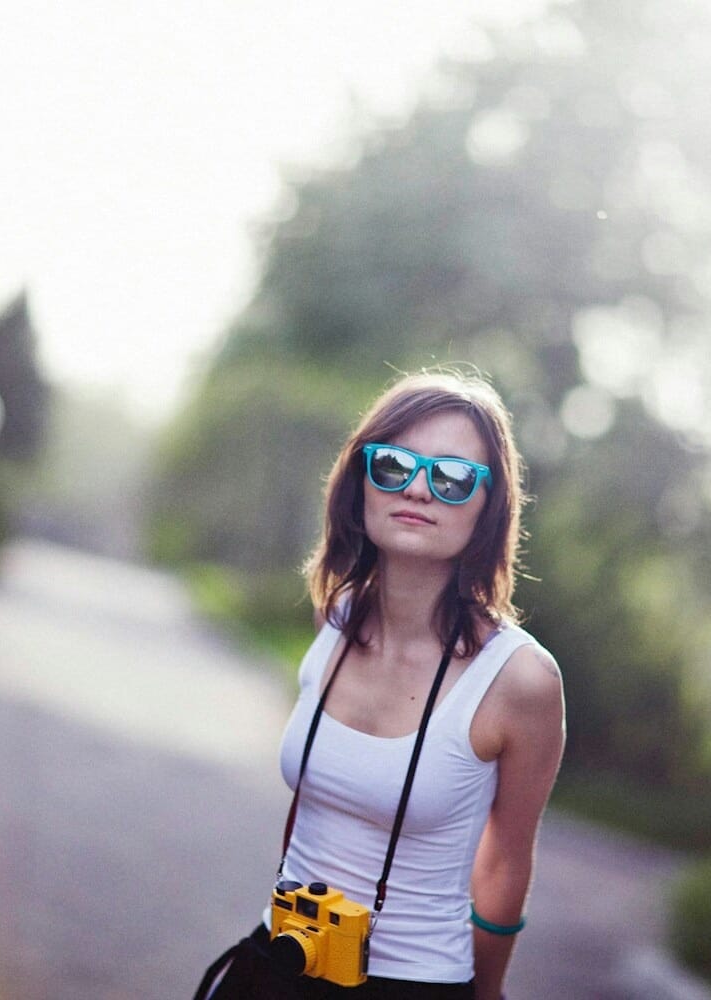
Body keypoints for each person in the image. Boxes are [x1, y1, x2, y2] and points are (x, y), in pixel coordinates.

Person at [206, 370, 564, 1000]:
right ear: (360, 483)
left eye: (452, 478)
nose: (419, 490)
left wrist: (489, 992)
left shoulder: (519, 680)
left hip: (414, 983)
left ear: (489, 508)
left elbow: (506, 858)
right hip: (278, 961)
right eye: (394, 465)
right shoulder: (334, 618)